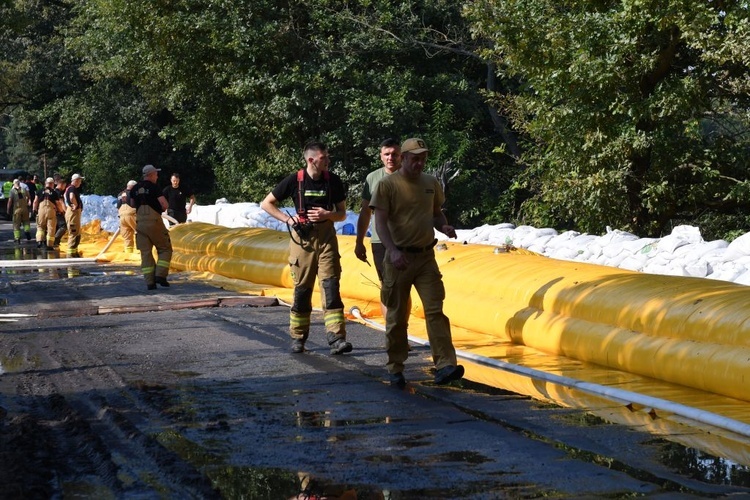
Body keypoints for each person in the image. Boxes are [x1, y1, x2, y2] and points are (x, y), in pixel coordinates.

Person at [369, 137, 464, 388]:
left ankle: (445, 365)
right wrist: (392, 251)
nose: (419, 163)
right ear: (404, 158)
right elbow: (380, 223)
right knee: (398, 315)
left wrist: (443, 226)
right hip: (398, 258)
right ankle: (395, 366)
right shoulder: (387, 185)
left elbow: (435, 213)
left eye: (423, 158)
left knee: (435, 310)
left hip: (425, 258)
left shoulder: (431, 183)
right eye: (415, 158)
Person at [260, 141, 352, 355]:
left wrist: (327, 215)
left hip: (327, 238)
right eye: (324, 158)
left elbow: (342, 214)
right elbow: (266, 203)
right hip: (303, 241)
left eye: (328, 157)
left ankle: (336, 337)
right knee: (302, 289)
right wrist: (289, 220)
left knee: (330, 286)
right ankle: (298, 337)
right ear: (311, 160)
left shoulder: (334, 182)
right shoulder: (294, 181)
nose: (328, 161)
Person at [355, 137, 411, 318]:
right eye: (387, 154)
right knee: (386, 286)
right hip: (380, 241)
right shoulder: (372, 178)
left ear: (401, 156)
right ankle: (391, 332)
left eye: (395, 154)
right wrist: (359, 242)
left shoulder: (411, 177)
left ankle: (402, 330)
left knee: (403, 286)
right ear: (381, 156)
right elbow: (365, 213)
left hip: (405, 239)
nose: (390, 157)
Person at [129, 164, 172, 290]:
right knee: (165, 248)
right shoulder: (154, 187)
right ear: (151, 174)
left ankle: (150, 282)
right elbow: (164, 205)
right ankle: (160, 275)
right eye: (156, 174)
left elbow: (132, 204)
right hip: (154, 222)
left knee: (145, 253)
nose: (157, 177)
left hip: (140, 224)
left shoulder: (135, 188)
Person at [33, 177, 65, 250]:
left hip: (41, 210)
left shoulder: (39, 191)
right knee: (51, 227)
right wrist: (61, 211)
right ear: (52, 184)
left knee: (40, 226)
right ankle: (49, 244)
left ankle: (39, 241)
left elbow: (35, 201)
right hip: (51, 211)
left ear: (45, 183)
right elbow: (58, 203)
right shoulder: (54, 193)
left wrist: (34, 210)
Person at [64, 173, 85, 253]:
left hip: (74, 213)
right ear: (76, 181)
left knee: (76, 232)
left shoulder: (70, 188)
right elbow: (71, 197)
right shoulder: (72, 188)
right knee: (73, 231)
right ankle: (71, 253)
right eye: (80, 181)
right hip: (73, 213)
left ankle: (74, 251)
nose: (80, 182)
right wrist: (75, 205)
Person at [7, 179, 31, 244]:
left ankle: (17, 238)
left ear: (14, 184)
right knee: (26, 221)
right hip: (25, 209)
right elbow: (29, 197)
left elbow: (10, 201)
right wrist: (27, 202)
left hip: (17, 210)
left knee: (16, 224)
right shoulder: (24, 190)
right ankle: (27, 231)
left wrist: (8, 209)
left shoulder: (12, 191)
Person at [117, 180, 138, 252]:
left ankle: (128, 253)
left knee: (127, 236)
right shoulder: (134, 193)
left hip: (122, 217)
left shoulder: (120, 194)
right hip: (132, 215)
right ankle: (142, 252)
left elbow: (118, 206)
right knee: (141, 233)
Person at [52, 176, 68, 248]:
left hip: (53, 212)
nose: (64, 187)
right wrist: (66, 212)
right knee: (63, 226)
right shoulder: (58, 192)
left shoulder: (54, 191)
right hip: (58, 212)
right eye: (64, 186)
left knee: (56, 227)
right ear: (61, 184)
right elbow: (61, 203)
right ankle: (55, 241)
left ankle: (53, 241)